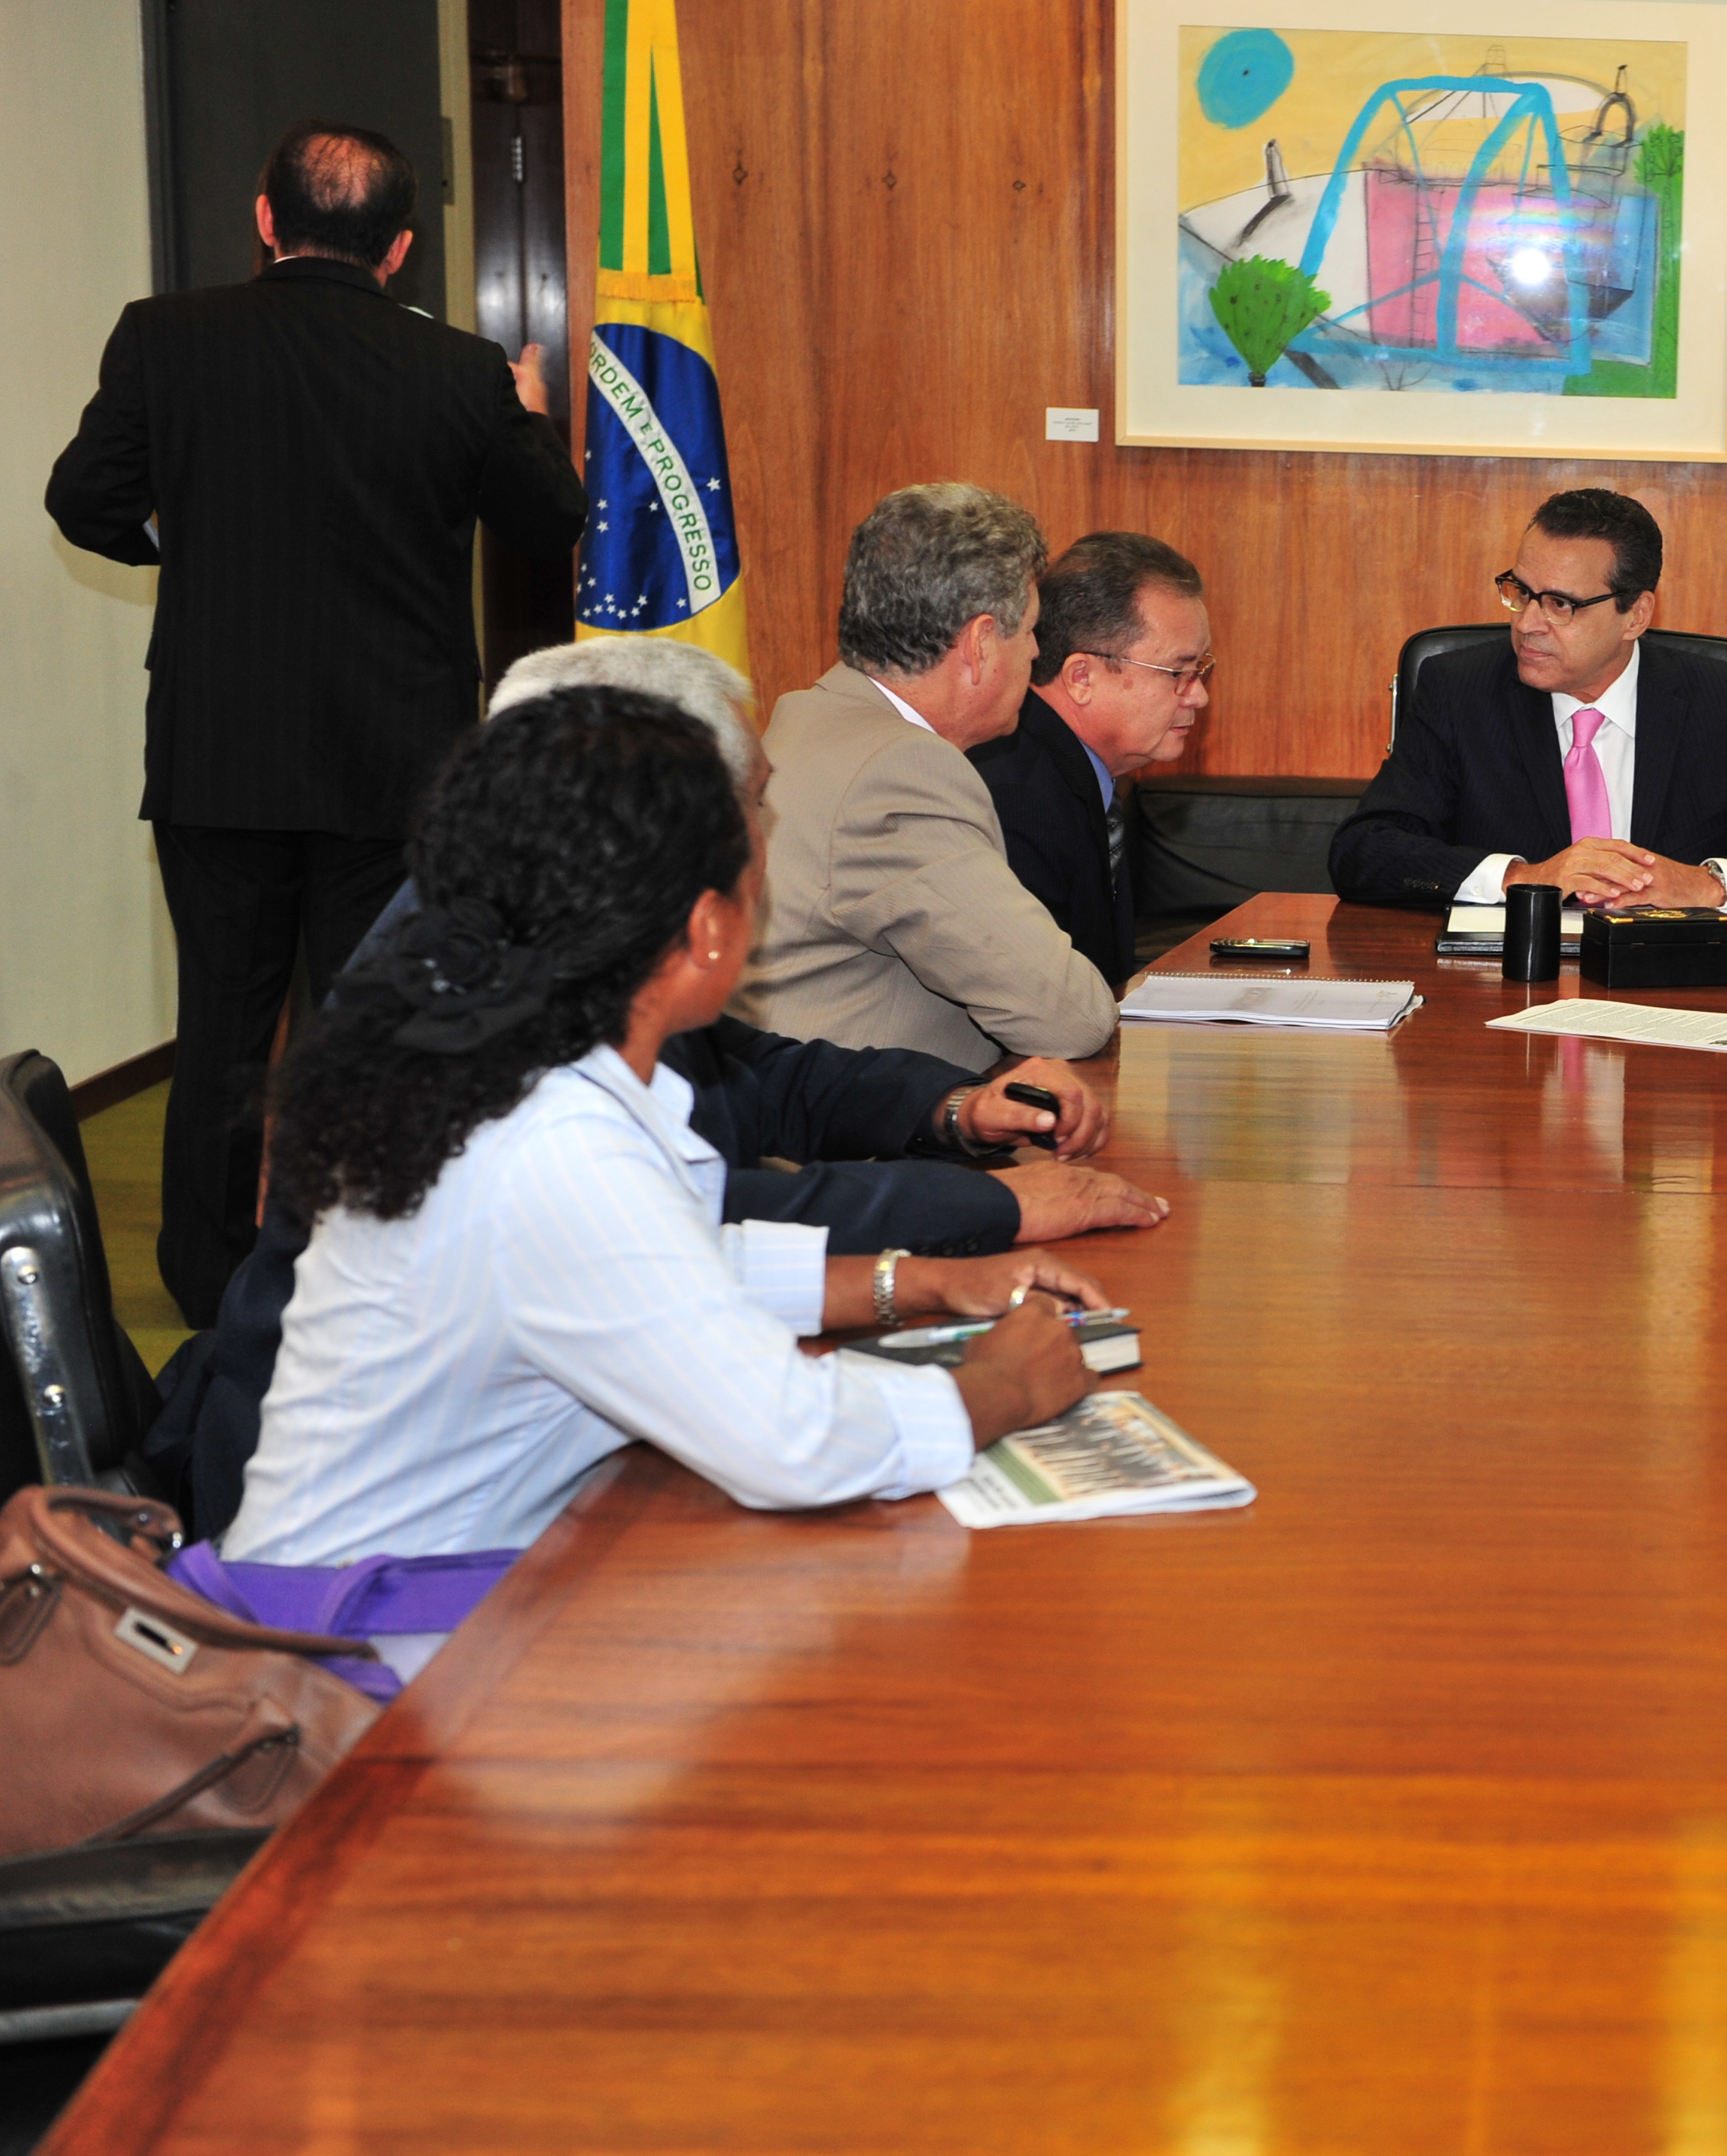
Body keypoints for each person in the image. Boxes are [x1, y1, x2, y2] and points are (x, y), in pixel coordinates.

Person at [150, 636, 1170, 1542]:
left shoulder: (520, 1047)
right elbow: (791, 1442)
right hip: (385, 1645)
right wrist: (999, 1387)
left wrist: (920, 1282)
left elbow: (660, 1258)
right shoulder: (545, 1132)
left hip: (456, 1568)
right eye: (755, 832)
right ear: (705, 925)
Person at [43, 120, 589, 1325]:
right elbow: (553, 523)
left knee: (220, 1031)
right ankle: (358, 1284)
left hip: (216, 758)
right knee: (372, 1033)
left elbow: (82, 500)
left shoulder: (165, 336)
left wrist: (176, 539)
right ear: (399, 249)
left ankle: (203, 1287)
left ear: (263, 218)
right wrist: (532, 412)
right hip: (394, 767)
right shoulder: (462, 370)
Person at [1326, 489, 1727, 917]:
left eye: (1560, 604)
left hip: (1674, 1008)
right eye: (1520, 592)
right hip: (1503, 1000)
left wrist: (1706, 885)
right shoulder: (1460, 689)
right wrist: (1524, 878)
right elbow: (1364, 852)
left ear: (1635, 616)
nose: (1527, 624)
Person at [736, 484, 1120, 1064]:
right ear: (981, 643)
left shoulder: (810, 715)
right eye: (1031, 629)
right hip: (857, 1141)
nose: (1037, 651)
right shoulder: (900, 774)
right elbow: (1070, 1016)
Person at [970, 531, 1212, 987]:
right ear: (1081, 676)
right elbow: (1035, 998)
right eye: (1178, 673)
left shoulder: (1075, 773)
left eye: (1201, 670)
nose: (1198, 696)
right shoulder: (1018, 798)